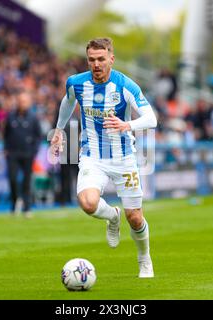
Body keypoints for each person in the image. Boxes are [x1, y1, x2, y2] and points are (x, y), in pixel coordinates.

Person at [50, 38, 157, 278]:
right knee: (87, 203)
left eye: (101, 59)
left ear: (111, 58)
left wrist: (126, 125)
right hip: (92, 156)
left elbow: (152, 119)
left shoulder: (125, 85)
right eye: (91, 60)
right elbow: (67, 103)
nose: (96, 64)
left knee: (136, 218)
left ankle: (144, 260)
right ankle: (112, 216)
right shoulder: (76, 83)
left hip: (123, 158)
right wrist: (58, 130)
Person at [3, 90, 42, 217]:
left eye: (24, 101)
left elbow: (38, 136)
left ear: (29, 103)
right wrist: (6, 149)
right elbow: (5, 134)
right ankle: (14, 203)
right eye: (20, 101)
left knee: (27, 181)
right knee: (12, 179)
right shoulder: (11, 117)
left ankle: (27, 207)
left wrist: (34, 151)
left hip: (27, 153)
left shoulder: (33, 118)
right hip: (13, 153)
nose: (22, 103)